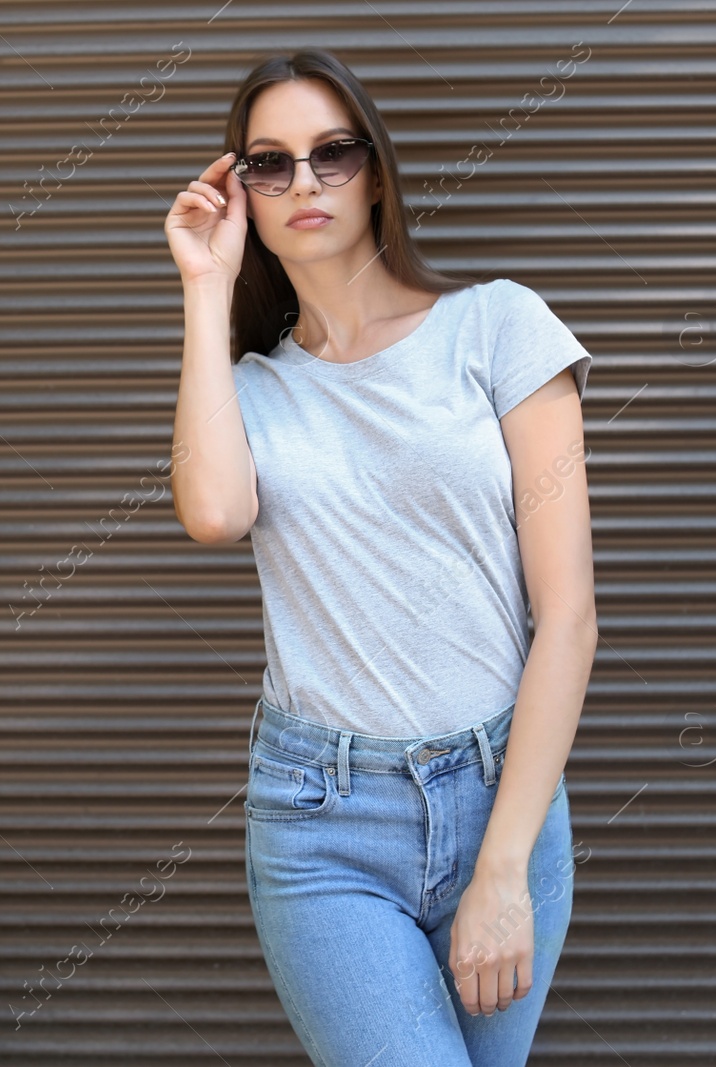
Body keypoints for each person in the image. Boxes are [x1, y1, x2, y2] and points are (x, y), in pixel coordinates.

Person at [164, 48, 597, 1067]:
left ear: (375, 170)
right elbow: (215, 512)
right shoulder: (253, 392)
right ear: (242, 193)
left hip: (506, 802)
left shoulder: (497, 327)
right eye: (268, 164)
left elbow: (568, 616)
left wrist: (499, 872)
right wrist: (201, 284)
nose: (303, 182)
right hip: (323, 826)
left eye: (331, 153)